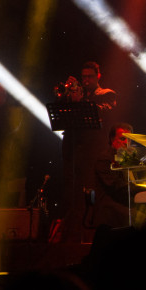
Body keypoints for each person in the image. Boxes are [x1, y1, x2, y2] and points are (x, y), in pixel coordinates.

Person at [57, 61, 117, 242]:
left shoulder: (106, 94)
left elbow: (105, 113)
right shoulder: (76, 95)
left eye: (90, 76)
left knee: (90, 192)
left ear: (98, 76)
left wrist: (80, 101)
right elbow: (60, 113)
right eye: (83, 77)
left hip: (93, 152)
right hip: (73, 150)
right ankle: (72, 232)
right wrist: (67, 96)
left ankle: (90, 232)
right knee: (72, 193)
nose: (86, 80)